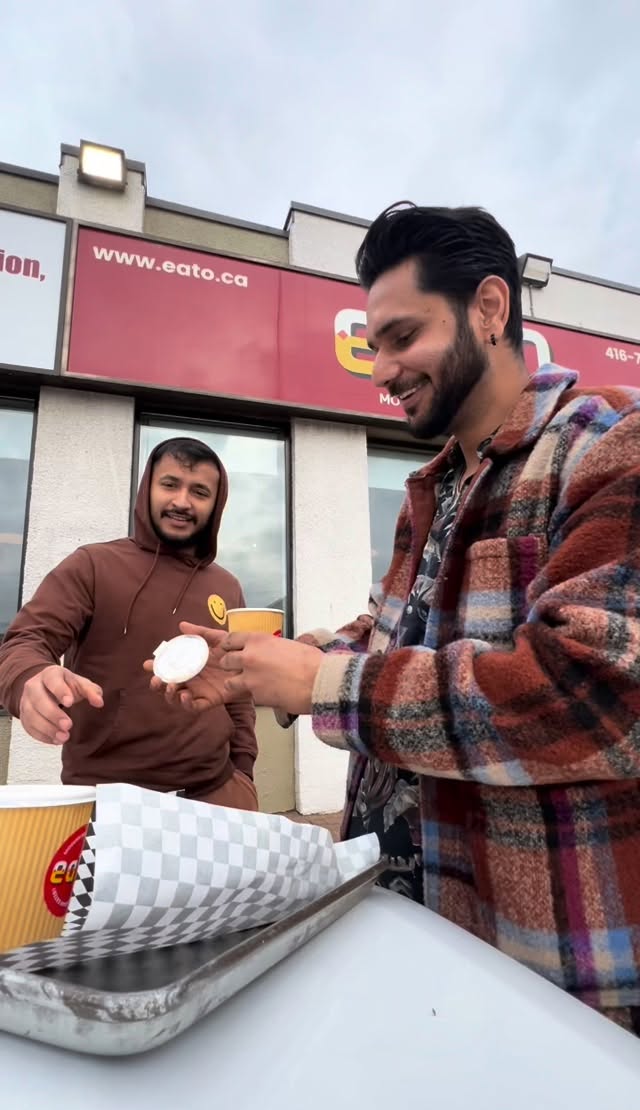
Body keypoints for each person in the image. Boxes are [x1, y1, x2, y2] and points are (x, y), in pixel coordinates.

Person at [150, 203, 640, 1034]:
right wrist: (270, 663)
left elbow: (591, 697)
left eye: (402, 337)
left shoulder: (608, 443)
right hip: (412, 913)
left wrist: (323, 683)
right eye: (374, 344)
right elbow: (395, 633)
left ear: (489, 308)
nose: (380, 369)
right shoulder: (434, 488)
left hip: (547, 968)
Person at [0, 437, 258, 808]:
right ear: (147, 488)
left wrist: (243, 771)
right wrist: (28, 678)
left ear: (216, 504)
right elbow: (26, 640)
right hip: (105, 799)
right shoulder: (92, 565)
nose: (182, 501)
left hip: (216, 792)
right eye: (170, 484)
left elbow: (238, 689)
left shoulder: (227, 586)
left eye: (199, 491)